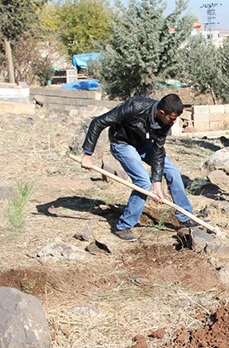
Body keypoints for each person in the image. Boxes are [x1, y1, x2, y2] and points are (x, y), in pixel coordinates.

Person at [81, 93, 197, 241]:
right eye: (172, 118)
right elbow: (98, 122)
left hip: (143, 144)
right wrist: (88, 154)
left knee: (172, 170)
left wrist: (157, 184)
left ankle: (185, 216)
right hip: (122, 143)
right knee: (142, 182)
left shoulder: (165, 122)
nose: (174, 122)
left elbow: (158, 151)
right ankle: (124, 226)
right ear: (162, 112)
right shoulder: (135, 107)